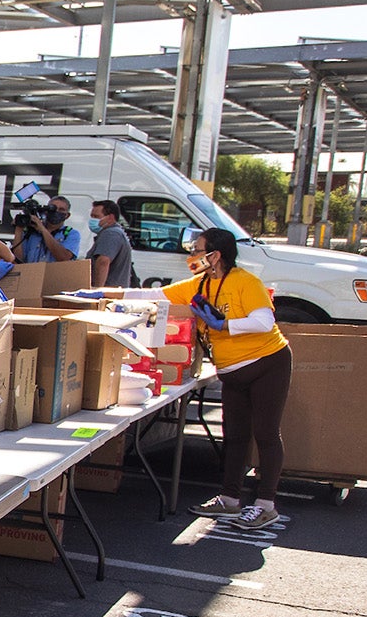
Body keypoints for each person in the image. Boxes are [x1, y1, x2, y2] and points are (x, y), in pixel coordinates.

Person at [163, 228, 291, 530]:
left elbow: (264, 321)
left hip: (267, 363)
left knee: (266, 433)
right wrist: (101, 293)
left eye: (198, 249)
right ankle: (230, 500)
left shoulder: (246, 281)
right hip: (232, 372)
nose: (192, 255)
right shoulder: (201, 283)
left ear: (215, 255)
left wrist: (224, 324)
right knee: (234, 435)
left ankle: (265, 506)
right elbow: (155, 295)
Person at [15, 199, 81, 262]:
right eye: (53, 208)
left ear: (67, 215)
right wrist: (19, 229)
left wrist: (43, 230)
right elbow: (18, 259)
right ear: (46, 211)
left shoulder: (71, 234)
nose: (56, 211)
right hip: (32, 272)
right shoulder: (31, 232)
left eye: (61, 210)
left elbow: (64, 258)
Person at [88, 199, 134, 288]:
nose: (92, 220)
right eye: (92, 216)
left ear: (110, 218)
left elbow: (103, 262)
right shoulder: (115, 232)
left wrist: (97, 291)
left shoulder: (111, 233)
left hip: (108, 292)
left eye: (96, 216)